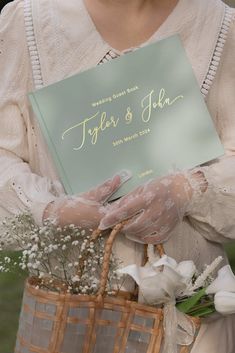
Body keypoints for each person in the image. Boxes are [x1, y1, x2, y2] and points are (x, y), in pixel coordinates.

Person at [0, 0, 235, 351]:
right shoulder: (29, 20)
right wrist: (50, 209)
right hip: (69, 320)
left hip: (191, 329)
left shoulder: (221, 25)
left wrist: (188, 189)